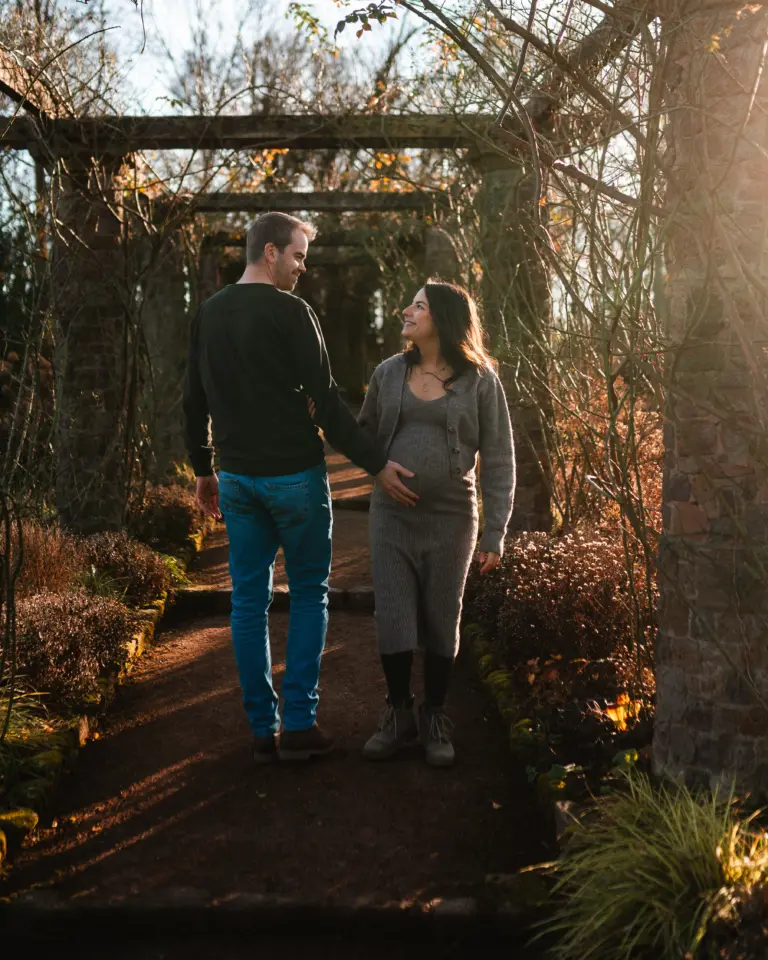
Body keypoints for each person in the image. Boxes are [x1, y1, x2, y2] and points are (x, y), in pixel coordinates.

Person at [183, 211, 415, 764]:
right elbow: (329, 405)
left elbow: (193, 398)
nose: (302, 269)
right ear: (269, 253)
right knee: (309, 593)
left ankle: (262, 732)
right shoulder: (294, 313)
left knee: (248, 602)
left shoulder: (208, 315)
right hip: (294, 477)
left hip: (237, 479)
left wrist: (202, 469)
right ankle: (300, 725)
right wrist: (376, 463)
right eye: (297, 256)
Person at [358, 279, 515, 767]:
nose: (407, 310)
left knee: (444, 615)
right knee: (394, 614)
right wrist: (377, 469)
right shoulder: (387, 373)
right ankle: (398, 711)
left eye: (418, 306)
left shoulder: (482, 380)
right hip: (392, 516)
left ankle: (435, 715)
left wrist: (496, 532)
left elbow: (500, 457)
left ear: (443, 319)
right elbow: (360, 435)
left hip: (452, 517)